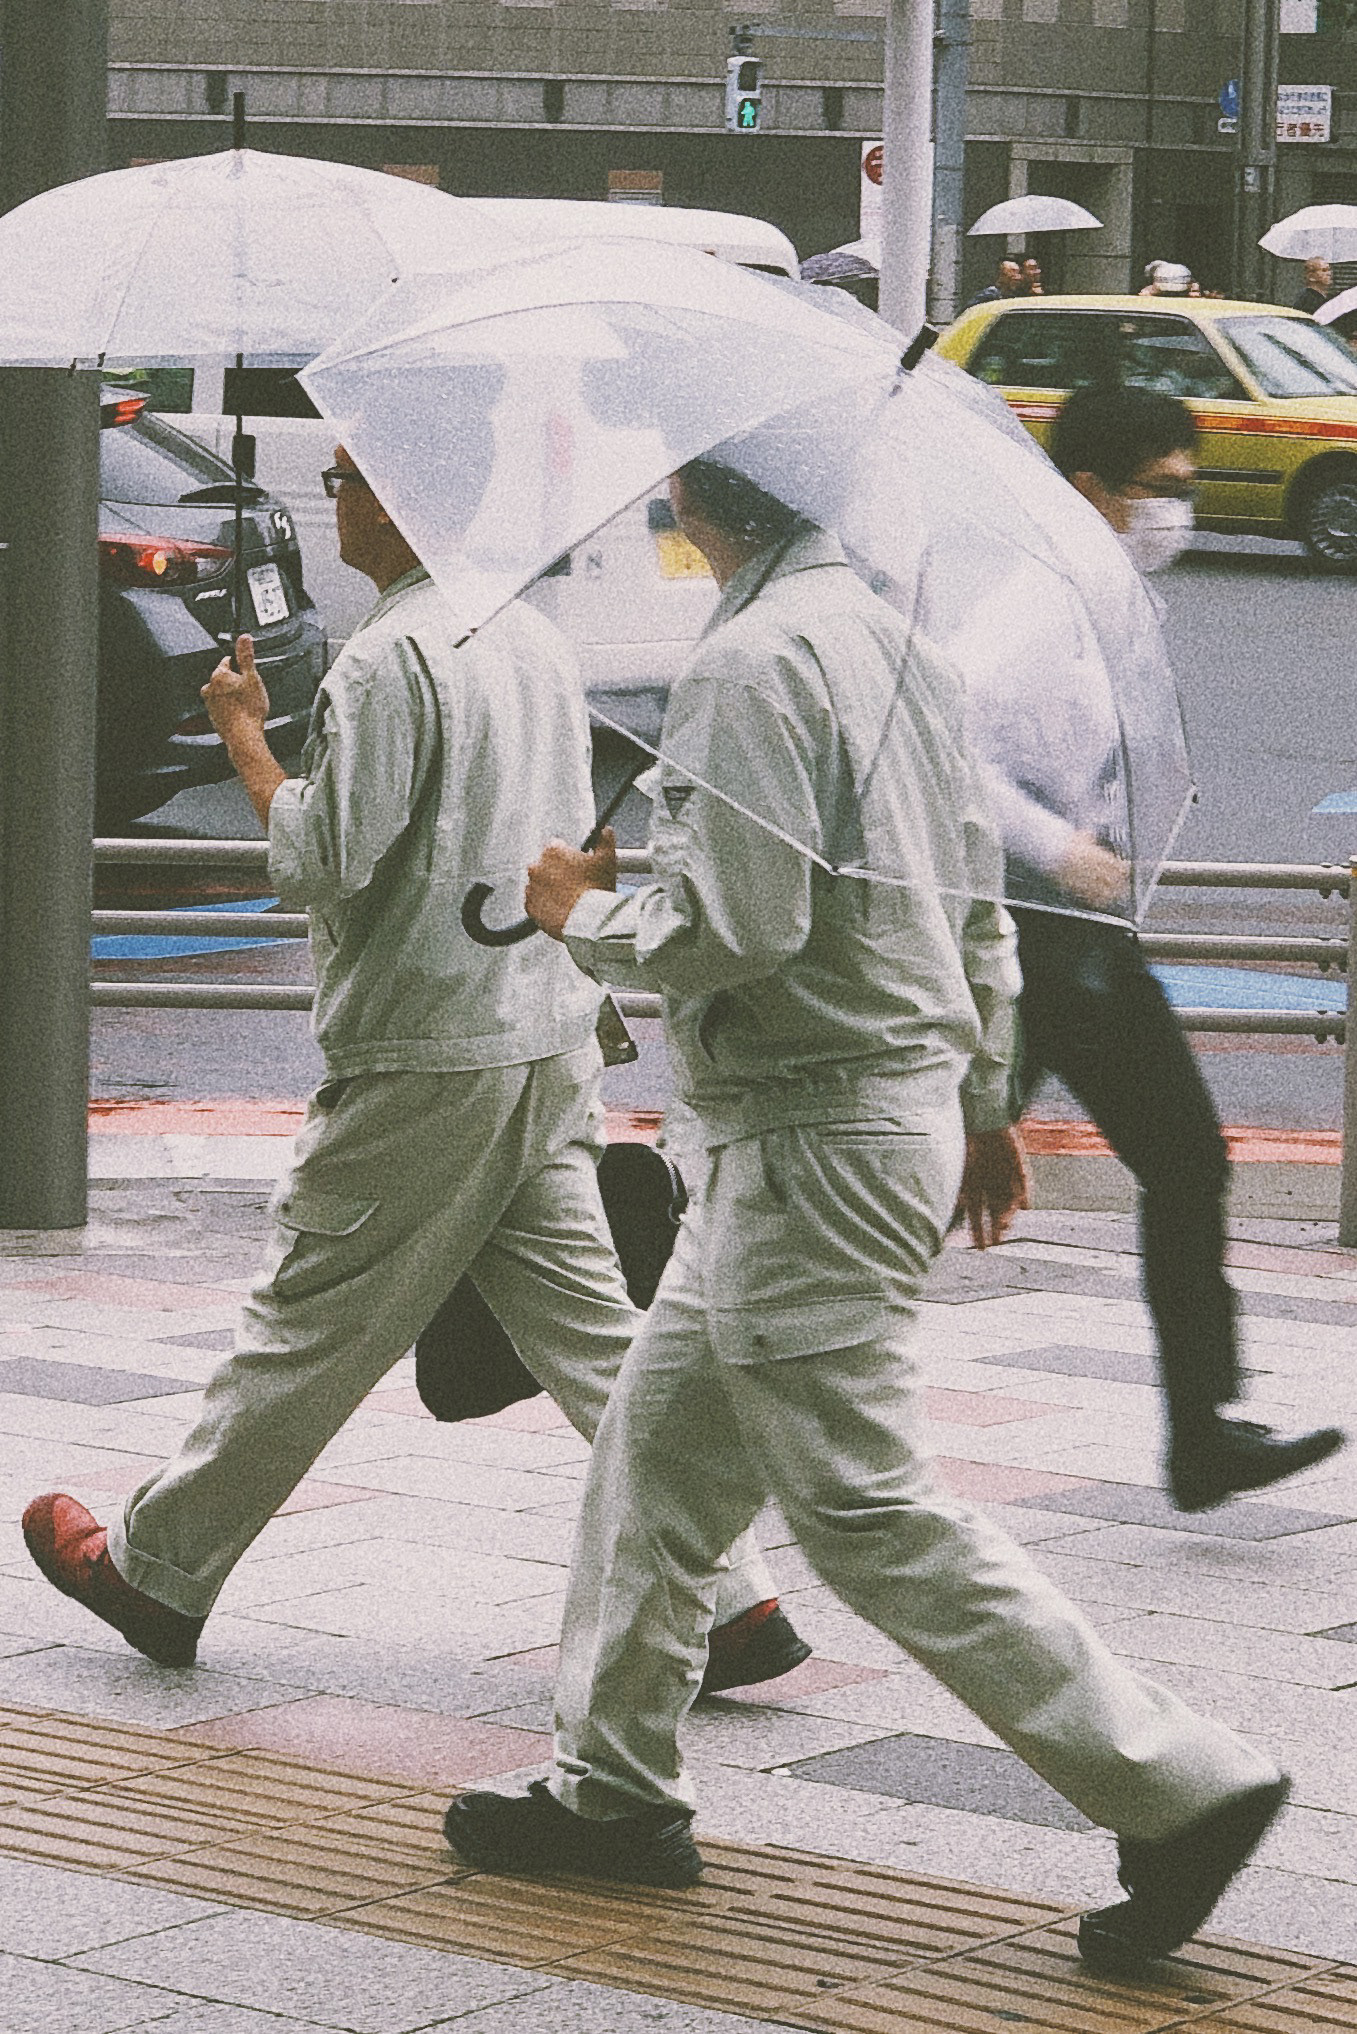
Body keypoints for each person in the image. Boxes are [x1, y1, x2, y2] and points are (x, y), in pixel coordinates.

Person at [444, 457, 1289, 1980]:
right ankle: (612, 1785)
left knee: (867, 1507)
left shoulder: (756, 660)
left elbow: (738, 930)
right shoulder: (891, 638)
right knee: (654, 1463)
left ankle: (1179, 1782)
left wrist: (583, 912)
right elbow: (971, 892)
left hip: (807, 1128)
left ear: (703, 494)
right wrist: (973, 1092)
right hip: (864, 1112)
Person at [21, 444, 805, 1694]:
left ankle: (156, 1568)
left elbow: (322, 858)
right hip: (540, 1032)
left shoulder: (386, 657)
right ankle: (728, 1598)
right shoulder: (529, 637)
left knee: (308, 1324)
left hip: (424, 1045)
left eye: (339, 477)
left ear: (396, 494)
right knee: (594, 1336)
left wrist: (244, 740)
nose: (324, 499)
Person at [1001, 385, 1343, 1511]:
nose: (1178, 513)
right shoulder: (1032, 606)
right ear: (1090, 487)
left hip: (1079, 935)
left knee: (1183, 1159)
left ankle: (1202, 1431)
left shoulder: (1109, 594)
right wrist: (1057, 847)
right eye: (1163, 489)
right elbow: (947, 748)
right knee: (910, 1174)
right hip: (1023, 932)